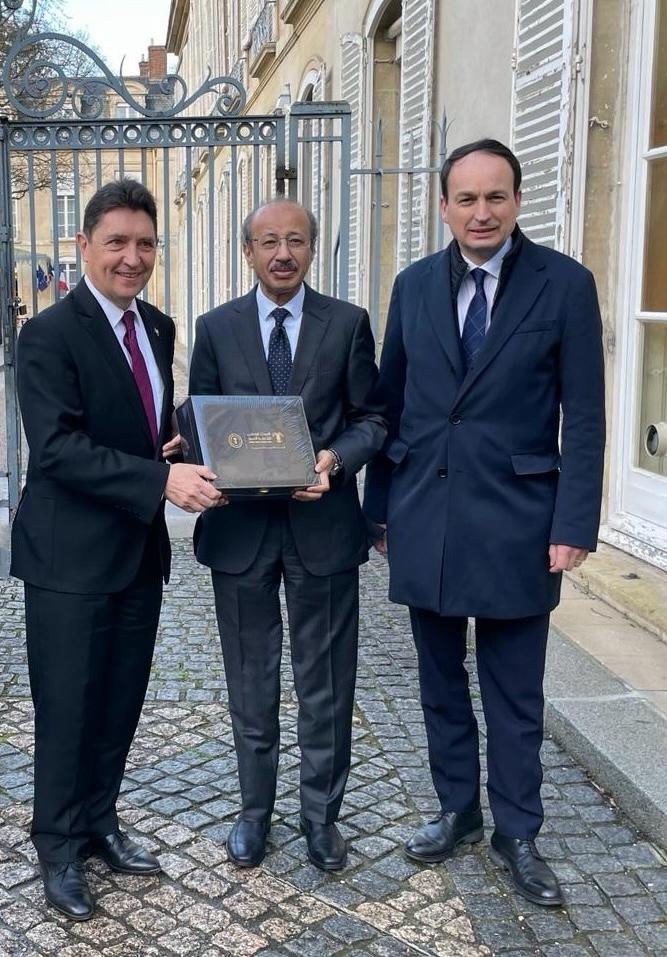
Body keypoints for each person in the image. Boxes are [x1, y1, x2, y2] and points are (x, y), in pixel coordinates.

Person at [363, 140, 605, 907]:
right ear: (442, 206)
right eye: (464, 198)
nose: (480, 212)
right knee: (438, 683)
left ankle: (518, 829)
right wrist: (378, 509)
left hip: (520, 523)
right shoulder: (412, 286)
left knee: (513, 692)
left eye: (493, 197)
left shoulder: (563, 285)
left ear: (516, 201)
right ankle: (456, 809)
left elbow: (587, 417)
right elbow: (387, 403)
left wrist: (573, 524)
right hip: (424, 514)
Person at [11, 179, 221, 921]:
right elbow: (60, 451)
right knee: (67, 708)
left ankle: (99, 822)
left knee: (120, 703)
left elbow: (139, 424)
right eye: (117, 243)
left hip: (136, 552)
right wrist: (160, 476)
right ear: (84, 247)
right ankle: (57, 847)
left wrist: (168, 445)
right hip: (68, 559)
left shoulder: (157, 327)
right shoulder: (47, 334)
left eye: (144, 244)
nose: (132, 258)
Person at [188, 198, 386, 871]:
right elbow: (202, 420)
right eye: (268, 241)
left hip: (322, 527)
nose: (282, 253)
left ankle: (320, 816)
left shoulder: (348, 324)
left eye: (295, 240)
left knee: (325, 682)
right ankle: (253, 811)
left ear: (311, 248)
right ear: (248, 251)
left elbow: (373, 419)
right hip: (240, 532)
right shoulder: (216, 329)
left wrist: (333, 459)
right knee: (250, 680)